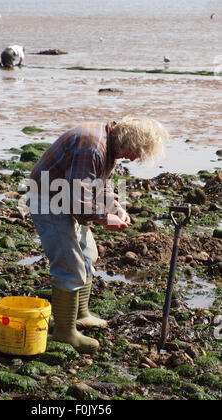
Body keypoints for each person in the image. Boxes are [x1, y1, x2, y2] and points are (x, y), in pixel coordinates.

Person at [28, 116, 169, 354]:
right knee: (69, 264)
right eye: (137, 152)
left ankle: (81, 314)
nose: (135, 159)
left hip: (65, 198)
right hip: (47, 199)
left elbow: (99, 185)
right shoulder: (93, 147)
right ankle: (64, 332)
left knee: (87, 254)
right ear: (130, 141)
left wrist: (115, 208)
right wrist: (104, 219)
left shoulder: (110, 145)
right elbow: (77, 197)